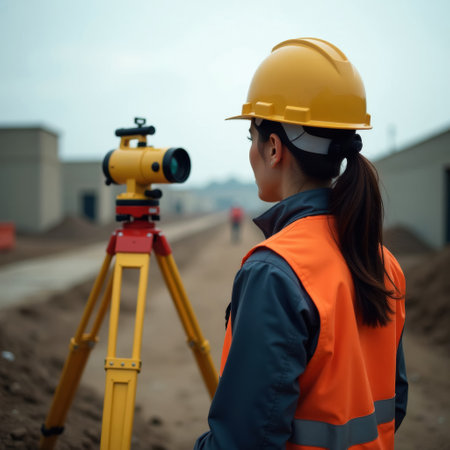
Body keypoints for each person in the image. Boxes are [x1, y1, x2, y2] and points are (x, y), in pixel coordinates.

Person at [194, 37, 407, 449]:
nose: (251, 152)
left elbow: (243, 440)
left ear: (273, 148)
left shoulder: (275, 272)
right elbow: (393, 404)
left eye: (251, 137)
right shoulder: (385, 262)